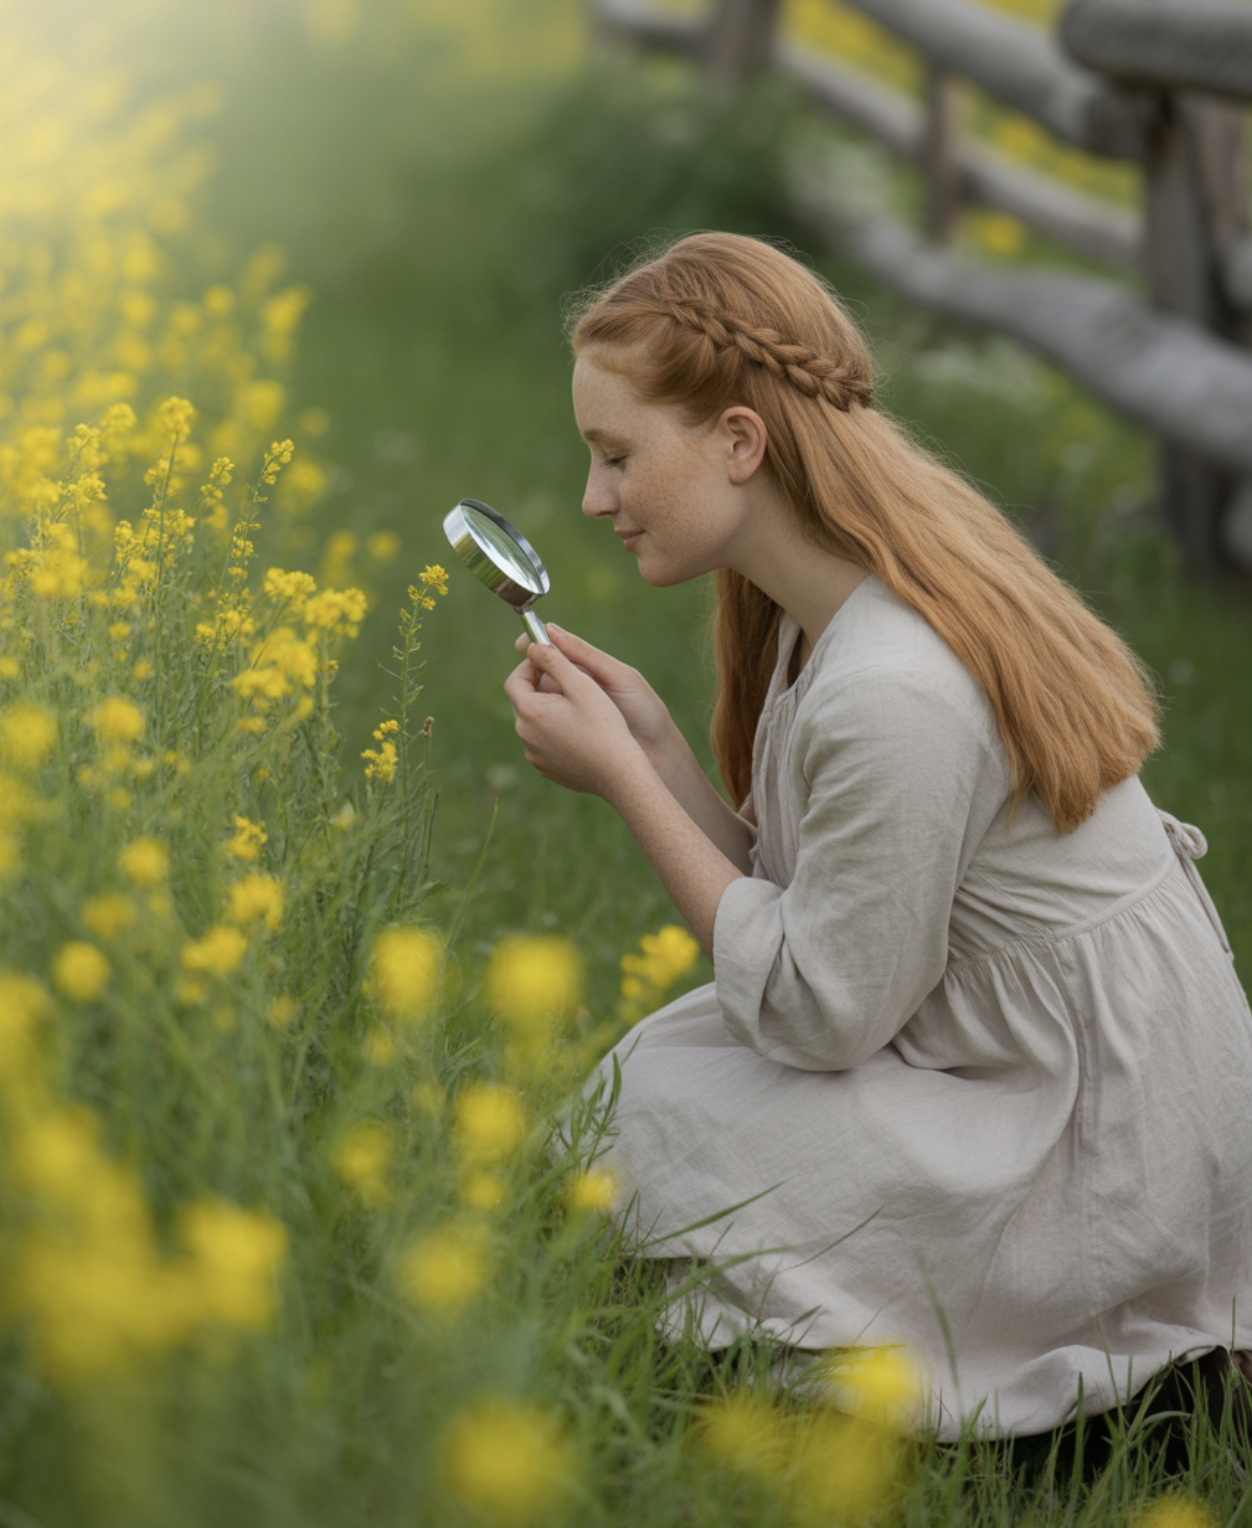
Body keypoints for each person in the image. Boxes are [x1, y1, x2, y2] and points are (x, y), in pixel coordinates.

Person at [501, 231, 1252, 1443]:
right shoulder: (831, 611)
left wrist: (627, 792)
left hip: (1087, 1138)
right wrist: (650, 747)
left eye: (615, 456)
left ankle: (1122, 1381)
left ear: (739, 442)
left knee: (664, 1114)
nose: (595, 499)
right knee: (664, 1083)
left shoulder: (890, 684)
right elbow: (826, 901)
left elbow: (820, 1010)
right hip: (1026, 1056)